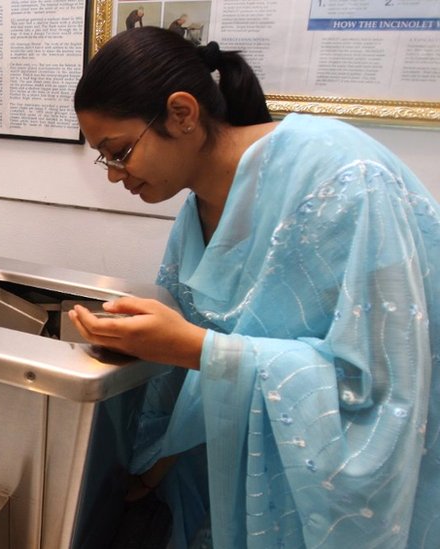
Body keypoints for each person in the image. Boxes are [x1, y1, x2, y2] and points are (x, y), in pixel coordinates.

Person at [70, 26, 440, 549]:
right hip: (235, 473)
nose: (114, 175)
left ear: (182, 114)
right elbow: (196, 354)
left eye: (120, 151)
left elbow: (378, 391)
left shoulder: (343, 177)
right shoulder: (195, 211)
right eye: (104, 158)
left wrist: (195, 349)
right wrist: (153, 459)